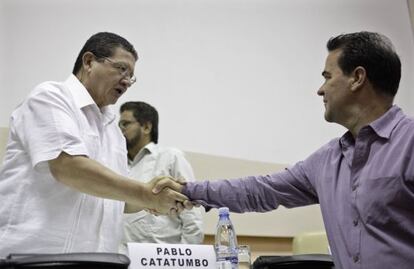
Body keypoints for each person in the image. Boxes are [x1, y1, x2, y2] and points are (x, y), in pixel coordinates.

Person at [156, 31, 414, 269]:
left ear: (357, 78)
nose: (320, 89)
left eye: (327, 77)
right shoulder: (327, 160)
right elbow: (259, 190)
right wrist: (188, 190)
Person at [0, 32, 186, 256]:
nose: (127, 81)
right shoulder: (51, 97)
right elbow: (68, 167)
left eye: (131, 76)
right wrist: (145, 193)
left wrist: (158, 199)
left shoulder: (114, 132)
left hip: (97, 260)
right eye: (121, 69)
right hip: (33, 257)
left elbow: (117, 200)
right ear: (89, 61)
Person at [118, 101, 203, 252]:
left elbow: (192, 214)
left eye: (125, 124)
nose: (120, 130)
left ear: (146, 127)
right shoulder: (116, 163)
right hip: (121, 258)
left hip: (161, 260)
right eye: (119, 125)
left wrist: (184, 259)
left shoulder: (171, 157)